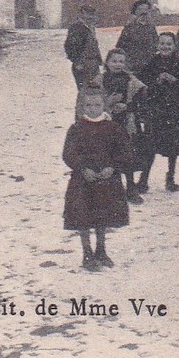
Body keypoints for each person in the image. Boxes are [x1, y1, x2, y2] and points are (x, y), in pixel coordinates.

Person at [63, 89, 131, 270]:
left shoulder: (114, 128)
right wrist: (82, 168)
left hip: (107, 179)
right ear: (82, 106)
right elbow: (68, 154)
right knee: (83, 215)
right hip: (83, 180)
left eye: (97, 105)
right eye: (88, 105)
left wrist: (113, 167)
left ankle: (101, 250)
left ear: (104, 106)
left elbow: (124, 151)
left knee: (103, 214)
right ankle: (87, 253)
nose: (93, 109)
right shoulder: (77, 128)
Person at [139, 30, 179, 193]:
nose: (165, 47)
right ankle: (143, 180)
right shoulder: (152, 63)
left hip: (175, 111)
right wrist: (157, 81)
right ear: (157, 45)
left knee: (173, 147)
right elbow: (143, 84)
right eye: (162, 43)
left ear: (174, 46)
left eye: (169, 44)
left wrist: (175, 80)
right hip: (157, 111)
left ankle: (170, 178)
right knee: (150, 146)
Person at [99, 48, 148, 204]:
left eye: (121, 61)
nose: (117, 64)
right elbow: (92, 100)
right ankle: (110, 190)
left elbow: (141, 99)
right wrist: (108, 104)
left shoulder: (130, 80)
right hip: (105, 122)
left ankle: (131, 188)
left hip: (126, 123)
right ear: (107, 62)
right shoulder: (100, 80)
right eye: (114, 61)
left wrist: (127, 106)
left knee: (127, 155)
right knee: (107, 155)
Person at [114, 0, 159, 75]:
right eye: (140, 9)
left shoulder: (151, 28)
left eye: (146, 9)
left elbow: (156, 45)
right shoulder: (129, 28)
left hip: (149, 67)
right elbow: (120, 47)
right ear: (135, 11)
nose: (143, 12)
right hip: (132, 67)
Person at [64, 5, 103, 89]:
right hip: (82, 64)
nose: (91, 17)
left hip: (93, 63)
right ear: (82, 14)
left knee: (95, 89)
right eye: (89, 14)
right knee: (84, 91)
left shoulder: (90, 27)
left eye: (92, 15)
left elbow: (93, 45)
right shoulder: (76, 28)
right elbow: (70, 46)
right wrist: (77, 61)